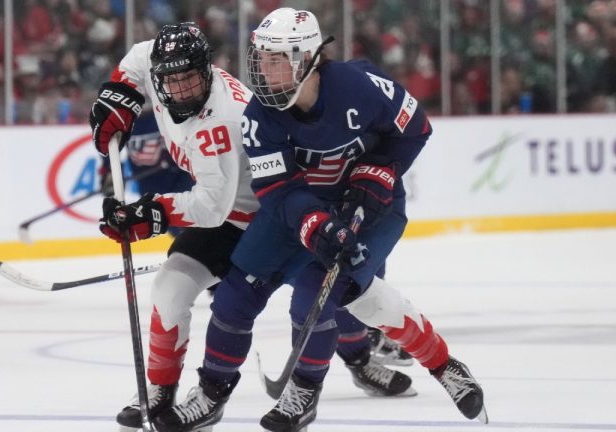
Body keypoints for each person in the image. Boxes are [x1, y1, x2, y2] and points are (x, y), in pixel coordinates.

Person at [153, 8, 487, 432]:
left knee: (317, 296)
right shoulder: (259, 116)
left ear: (308, 58)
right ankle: (211, 394)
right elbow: (278, 189)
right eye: (261, 58)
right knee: (236, 296)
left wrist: (379, 170)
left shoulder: (360, 86)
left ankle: (307, 393)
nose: (264, 71)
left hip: (370, 210)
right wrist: (314, 223)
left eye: (276, 60)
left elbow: (414, 127)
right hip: (295, 212)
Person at [90, 22, 416, 430]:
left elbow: (210, 206)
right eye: (170, 80)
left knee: (327, 297)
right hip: (229, 216)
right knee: (170, 289)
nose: (181, 89)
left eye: (189, 78)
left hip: (272, 216)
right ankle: (160, 390)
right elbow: (138, 58)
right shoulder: (161, 67)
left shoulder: (223, 122)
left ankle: (361, 359)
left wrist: (150, 212)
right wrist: (117, 92)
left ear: (206, 69)